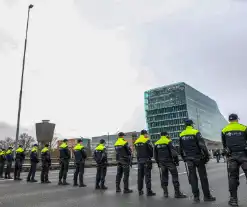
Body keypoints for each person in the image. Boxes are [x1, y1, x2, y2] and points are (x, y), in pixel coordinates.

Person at [179, 119, 215, 203]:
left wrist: (184, 158)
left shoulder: (181, 134)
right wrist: (206, 156)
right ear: (192, 124)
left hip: (189, 159)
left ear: (185, 125)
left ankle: (196, 198)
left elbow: (180, 148)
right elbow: (202, 145)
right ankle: (207, 196)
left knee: (193, 178)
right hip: (198, 158)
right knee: (203, 177)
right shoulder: (195, 132)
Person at [222, 113, 247, 206]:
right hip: (244, 155)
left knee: (232, 177)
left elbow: (224, 145)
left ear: (229, 120)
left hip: (232, 156)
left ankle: (233, 200)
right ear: (237, 119)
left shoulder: (224, 130)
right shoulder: (244, 128)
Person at [154, 132, 187, 198]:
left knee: (164, 177)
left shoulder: (156, 143)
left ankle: (165, 193)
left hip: (161, 162)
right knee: (174, 176)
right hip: (169, 162)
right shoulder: (168, 141)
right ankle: (177, 193)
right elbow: (174, 153)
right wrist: (176, 161)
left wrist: (158, 163)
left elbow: (155, 155)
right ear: (166, 135)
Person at [134, 130, 156, 196]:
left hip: (140, 160)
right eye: (147, 134)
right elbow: (151, 149)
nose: (147, 135)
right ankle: (149, 191)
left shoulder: (136, 141)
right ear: (144, 134)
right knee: (147, 176)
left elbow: (137, 151)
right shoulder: (147, 140)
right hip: (146, 159)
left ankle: (140, 191)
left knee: (140, 176)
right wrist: (151, 156)